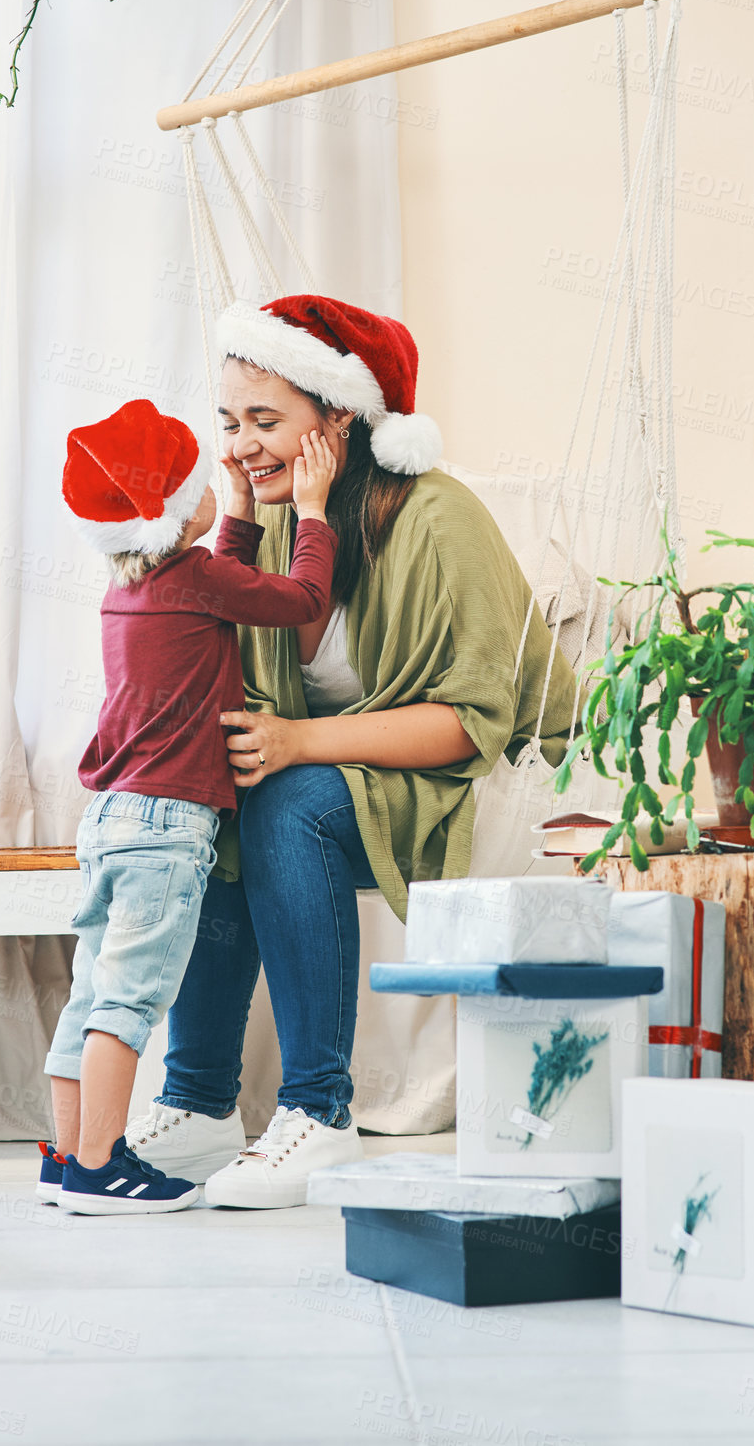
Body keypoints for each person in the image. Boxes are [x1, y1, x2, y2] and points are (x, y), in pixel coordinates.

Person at [123, 296, 579, 1209]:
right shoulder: (294, 520)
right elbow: (249, 659)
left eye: (266, 421)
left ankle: (318, 1112)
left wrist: (296, 743)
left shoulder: (439, 520)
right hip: (351, 760)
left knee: (286, 801)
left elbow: (471, 718)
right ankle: (202, 1099)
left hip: (480, 767)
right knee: (213, 793)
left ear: (339, 419)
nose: (242, 445)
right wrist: (241, 527)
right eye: (229, 422)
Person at [39, 396, 338, 1214]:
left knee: (92, 992)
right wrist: (309, 511)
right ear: (171, 512)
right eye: (200, 478)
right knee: (131, 1002)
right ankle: (103, 1167)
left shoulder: (133, 587)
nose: (222, 476)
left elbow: (221, 583)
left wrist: (235, 516)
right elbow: (299, 599)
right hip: (164, 829)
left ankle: (66, 1156)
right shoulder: (197, 580)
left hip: (109, 820)